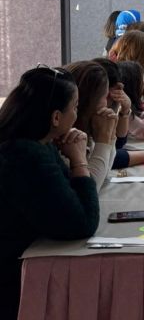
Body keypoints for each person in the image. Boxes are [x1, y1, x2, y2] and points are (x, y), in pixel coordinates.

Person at [0, 66, 99, 318]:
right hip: (12, 282)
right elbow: (81, 223)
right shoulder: (25, 155)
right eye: (75, 107)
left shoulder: (36, 142)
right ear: (56, 117)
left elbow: (69, 194)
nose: (77, 114)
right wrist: (79, 160)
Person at [64, 61, 119, 189]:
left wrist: (110, 136)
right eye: (105, 96)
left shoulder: (86, 129)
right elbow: (91, 188)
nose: (107, 103)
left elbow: (104, 173)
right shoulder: (66, 140)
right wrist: (104, 140)